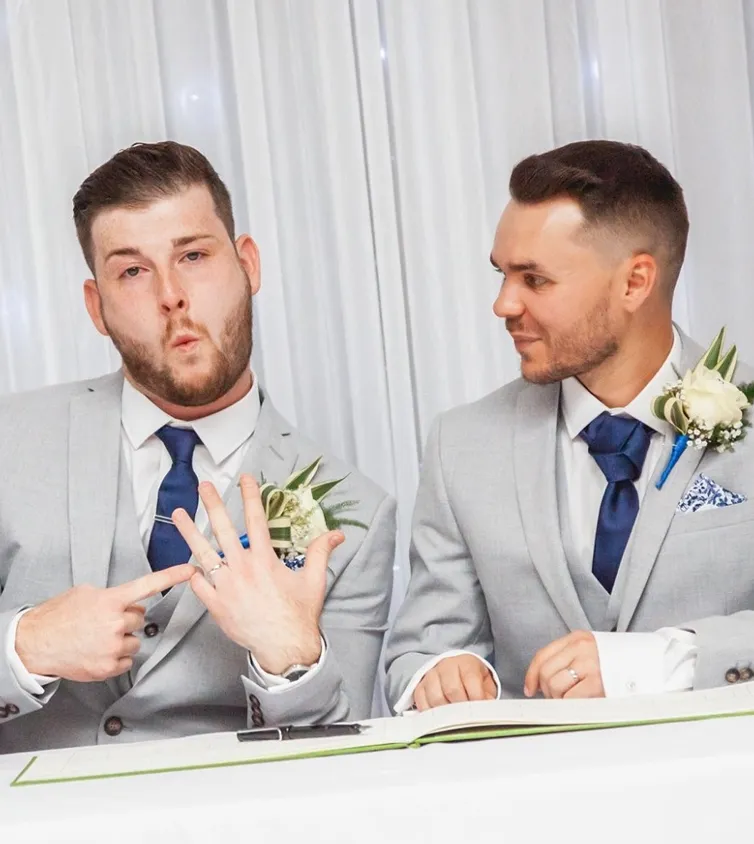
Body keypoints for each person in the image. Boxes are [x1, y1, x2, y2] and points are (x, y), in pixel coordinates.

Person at [0, 141, 395, 752]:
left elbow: (338, 760)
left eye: (193, 256)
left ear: (248, 265)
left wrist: (289, 660)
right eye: (133, 271)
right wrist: (23, 647)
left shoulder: (356, 514)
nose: (171, 295)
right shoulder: (10, 439)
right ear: (96, 307)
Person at [385, 139, 754, 712]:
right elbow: (417, 652)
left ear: (635, 282)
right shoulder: (461, 446)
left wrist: (661, 662)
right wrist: (436, 673)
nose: (504, 305)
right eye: (502, 275)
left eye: (534, 279)